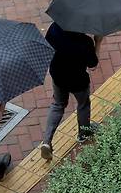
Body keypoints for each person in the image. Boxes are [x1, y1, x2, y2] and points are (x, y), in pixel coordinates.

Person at [40, 22, 102, 161]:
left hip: (58, 76)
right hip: (78, 80)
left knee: (57, 104)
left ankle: (46, 141)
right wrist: (97, 42)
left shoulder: (54, 28)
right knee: (83, 104)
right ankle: (83, 134)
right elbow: (93, 66)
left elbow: (47, 49)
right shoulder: (84, 42)